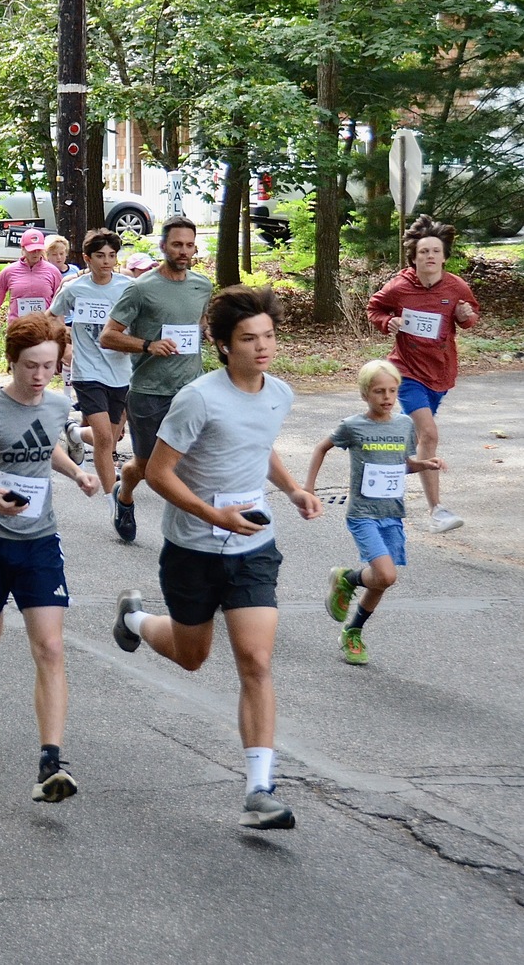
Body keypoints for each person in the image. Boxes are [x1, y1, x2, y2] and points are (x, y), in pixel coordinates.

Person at [111, 285, 321, 830]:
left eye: (268, 336)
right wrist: (212, 514)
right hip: (193, 549)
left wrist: (294, 488)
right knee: (191, 655)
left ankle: (259, 789)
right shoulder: (198, 398)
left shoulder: (280, 394)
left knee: (255, 661)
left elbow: (259, 444)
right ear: (224, 345)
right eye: (248, 339)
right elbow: (158, 472)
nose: (262, 347)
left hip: (253, 547)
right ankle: (134, 617)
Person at [0, 312, 99, 804]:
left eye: (49, 366)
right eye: (30, 365)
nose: (39, 376)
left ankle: (51, 761)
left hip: (39, 539)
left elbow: (43, 445)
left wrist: (76, 474)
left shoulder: (55, 404)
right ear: (12, 361)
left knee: (49, 648)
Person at [304, 360, 446, 665]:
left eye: (392, 391)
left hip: (392, 513)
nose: (387, 397)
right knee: (385, 574)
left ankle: (352, 631)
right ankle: (349, 578)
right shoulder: (353, 426)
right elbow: (320, 448)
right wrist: (309, 488)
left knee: (383, 580)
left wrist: (425, 464)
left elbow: (402, 463)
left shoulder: (405, 425)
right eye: (379, 391)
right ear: (365, 394)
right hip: (363, 513)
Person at [99, 216, 214, 543]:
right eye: (177, 244)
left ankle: (195, 531)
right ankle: (124, 493)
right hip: (150, 392)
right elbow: (109, 337)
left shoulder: (202, 285)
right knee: (149, 467)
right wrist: (148, 345)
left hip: (192, 391)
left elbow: (199, 323)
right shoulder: (141, 289)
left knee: (195, 462)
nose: (184, 251)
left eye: (189, 245)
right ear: (163, 246)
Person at [365, 214, 479, 533]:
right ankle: (437, 511)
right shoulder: (400, 287)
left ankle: (376, 476)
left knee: (417, 441)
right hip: (405, 371)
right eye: (423, 251)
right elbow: (375, 308)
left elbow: (470, 316)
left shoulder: (456, 286)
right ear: (414, 257)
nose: (429, 256)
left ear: (444, 256)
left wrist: (465, 315)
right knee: (429, 435)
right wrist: (389, 323)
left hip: (440, 372)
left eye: (435, 251)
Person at [51, 228, 133, 495]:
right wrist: (61, 345)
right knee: (105, 437)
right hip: (87, 371)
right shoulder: (74, 288)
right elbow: (52, 316)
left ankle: (74, 432)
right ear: (87, 258)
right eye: (100, 255)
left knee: (110, 439)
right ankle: (114, 501)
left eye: (111, 255)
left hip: (121, 370)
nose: (106, 261)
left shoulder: (128, 288)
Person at [0, 227, 61, 335]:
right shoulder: (9, 271)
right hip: (17, 330)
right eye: (31, 250)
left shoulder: (52, 271)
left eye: (38, 250)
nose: (35, 253)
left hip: (45, 330)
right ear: (22, 249)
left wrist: (60, 328)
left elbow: (61, 299)